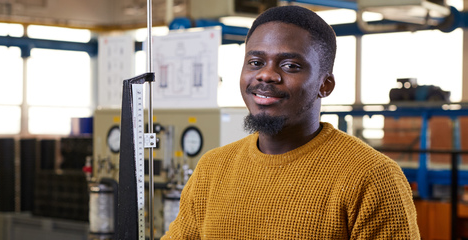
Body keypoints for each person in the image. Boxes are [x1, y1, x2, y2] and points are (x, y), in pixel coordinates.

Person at [161, 5, 419, 239]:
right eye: (255, 62)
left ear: (325, 85)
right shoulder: (212, 169)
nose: (266, 74)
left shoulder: (372, 177)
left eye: (290, 66)